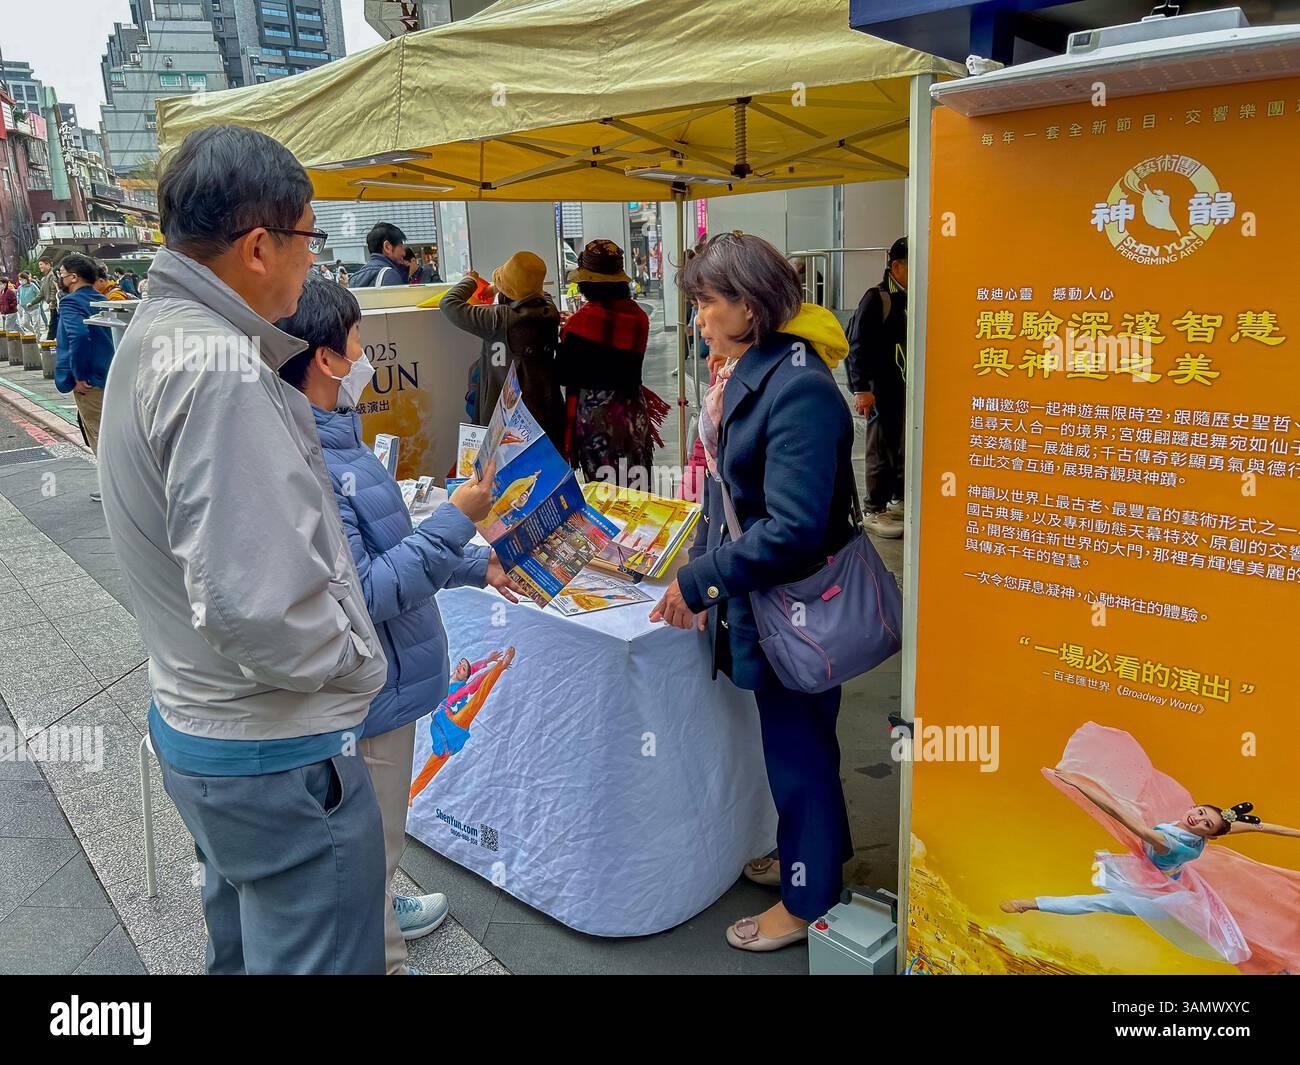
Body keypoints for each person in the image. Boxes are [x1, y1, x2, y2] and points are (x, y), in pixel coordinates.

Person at [97, 123, 391, 975]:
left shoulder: (161, 332)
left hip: (209, 727)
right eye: (309, 239)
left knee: (245, 945)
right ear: (260, 245)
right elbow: (257, 602)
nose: (314, 262)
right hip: (273, 748)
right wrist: (346, 657)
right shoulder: (218, 367)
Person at [275, 274, 522, 975]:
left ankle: (384, 904)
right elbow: (372, 590)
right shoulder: (314, 457)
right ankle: (381, 954)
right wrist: (457, 519)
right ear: (326, 358)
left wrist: (475, 564)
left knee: (379, 832)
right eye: (357, 341)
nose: (367, 355)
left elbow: (390, 545)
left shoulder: (336, 436)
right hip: (370, 691)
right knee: (371, 839)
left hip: (390, 677)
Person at [649, 232, 857, 952]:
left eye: (707, 303)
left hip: (796, 606)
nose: (699, 318)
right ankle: (815, 854)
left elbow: (794, 528)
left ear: (750, 302)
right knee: (800, 746)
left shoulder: (797, 386)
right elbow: (726, 492)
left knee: (798, 751)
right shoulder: (759, 364)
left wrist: (702, 577)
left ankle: (807, 897)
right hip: (772, 600)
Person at [1000, 723, 1300, 975]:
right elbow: (1265, 827)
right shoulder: (1195, 824)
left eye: (1206, 824)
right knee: (1233, 929)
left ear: (1212, 835)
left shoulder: (1171, 843)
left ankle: (1030, 904)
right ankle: (1280, 966)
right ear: (1195, 807)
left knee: (1102, 904)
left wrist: (1083, 788)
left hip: (1163, 897)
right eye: (1201, 813)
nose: (1198, 819)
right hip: (1183, 884)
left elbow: (1125, 819)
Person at [557, 239, 667, 483]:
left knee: (604, 497)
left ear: (587, 282)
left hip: (595, 424)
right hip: (632, 416)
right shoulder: (638, 317)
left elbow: (564, 374)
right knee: (635, 491)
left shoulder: (580, 323)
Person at [440, 250, 564, 444]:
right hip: (545, 416)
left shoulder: (500, 320)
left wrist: (470, 281)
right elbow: (541, 295)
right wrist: (503, 289)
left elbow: (449, 304)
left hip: (504, 423)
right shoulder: (550, 314)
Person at [845, 236, 907, 539]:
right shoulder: (877, 298)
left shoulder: (910, 298)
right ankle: (874, 509)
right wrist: (861, 389)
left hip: (903, 389)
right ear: (896, 266)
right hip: (879, 390)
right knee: (879, 449)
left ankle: (895, 500)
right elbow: (857, 346)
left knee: (900, 447)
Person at [53, 254, 115, 491]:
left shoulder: (70, 302)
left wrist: (78, 375)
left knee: (99, 434)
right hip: (108, 374)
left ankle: (112, 491)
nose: (61, 278)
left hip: (89, 381)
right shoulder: (101, 299)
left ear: (74, 277)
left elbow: (77, 337)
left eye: (62, 274)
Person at [350, 222, 410, 288]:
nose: (404, 253)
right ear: (387, 247)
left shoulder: (354, 278)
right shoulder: (390, 275)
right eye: (400, 246)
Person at [37, 256, 60, 340]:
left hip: (55, 304)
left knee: (53, 323)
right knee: (54, 322)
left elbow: (54, 289)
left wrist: (53, 302)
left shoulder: (51, 275)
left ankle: (49, 342)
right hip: (52, 304)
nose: (39, 267)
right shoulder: (46, 276)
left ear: (48, 264)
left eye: (41, 264)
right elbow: (42, 293)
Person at [16, 271, 45, 335]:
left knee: (36, 324)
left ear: (26, 279)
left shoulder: (32, 285)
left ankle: (37, 339)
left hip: (34, 308)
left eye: (22, 279)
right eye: (19, 279)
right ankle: (37, 333)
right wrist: (18, 301)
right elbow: (18, 295)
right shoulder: (20, 288)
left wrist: (34, 302)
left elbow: (39, 294)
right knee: (25, 323)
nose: (20, 281)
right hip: (25, 309)